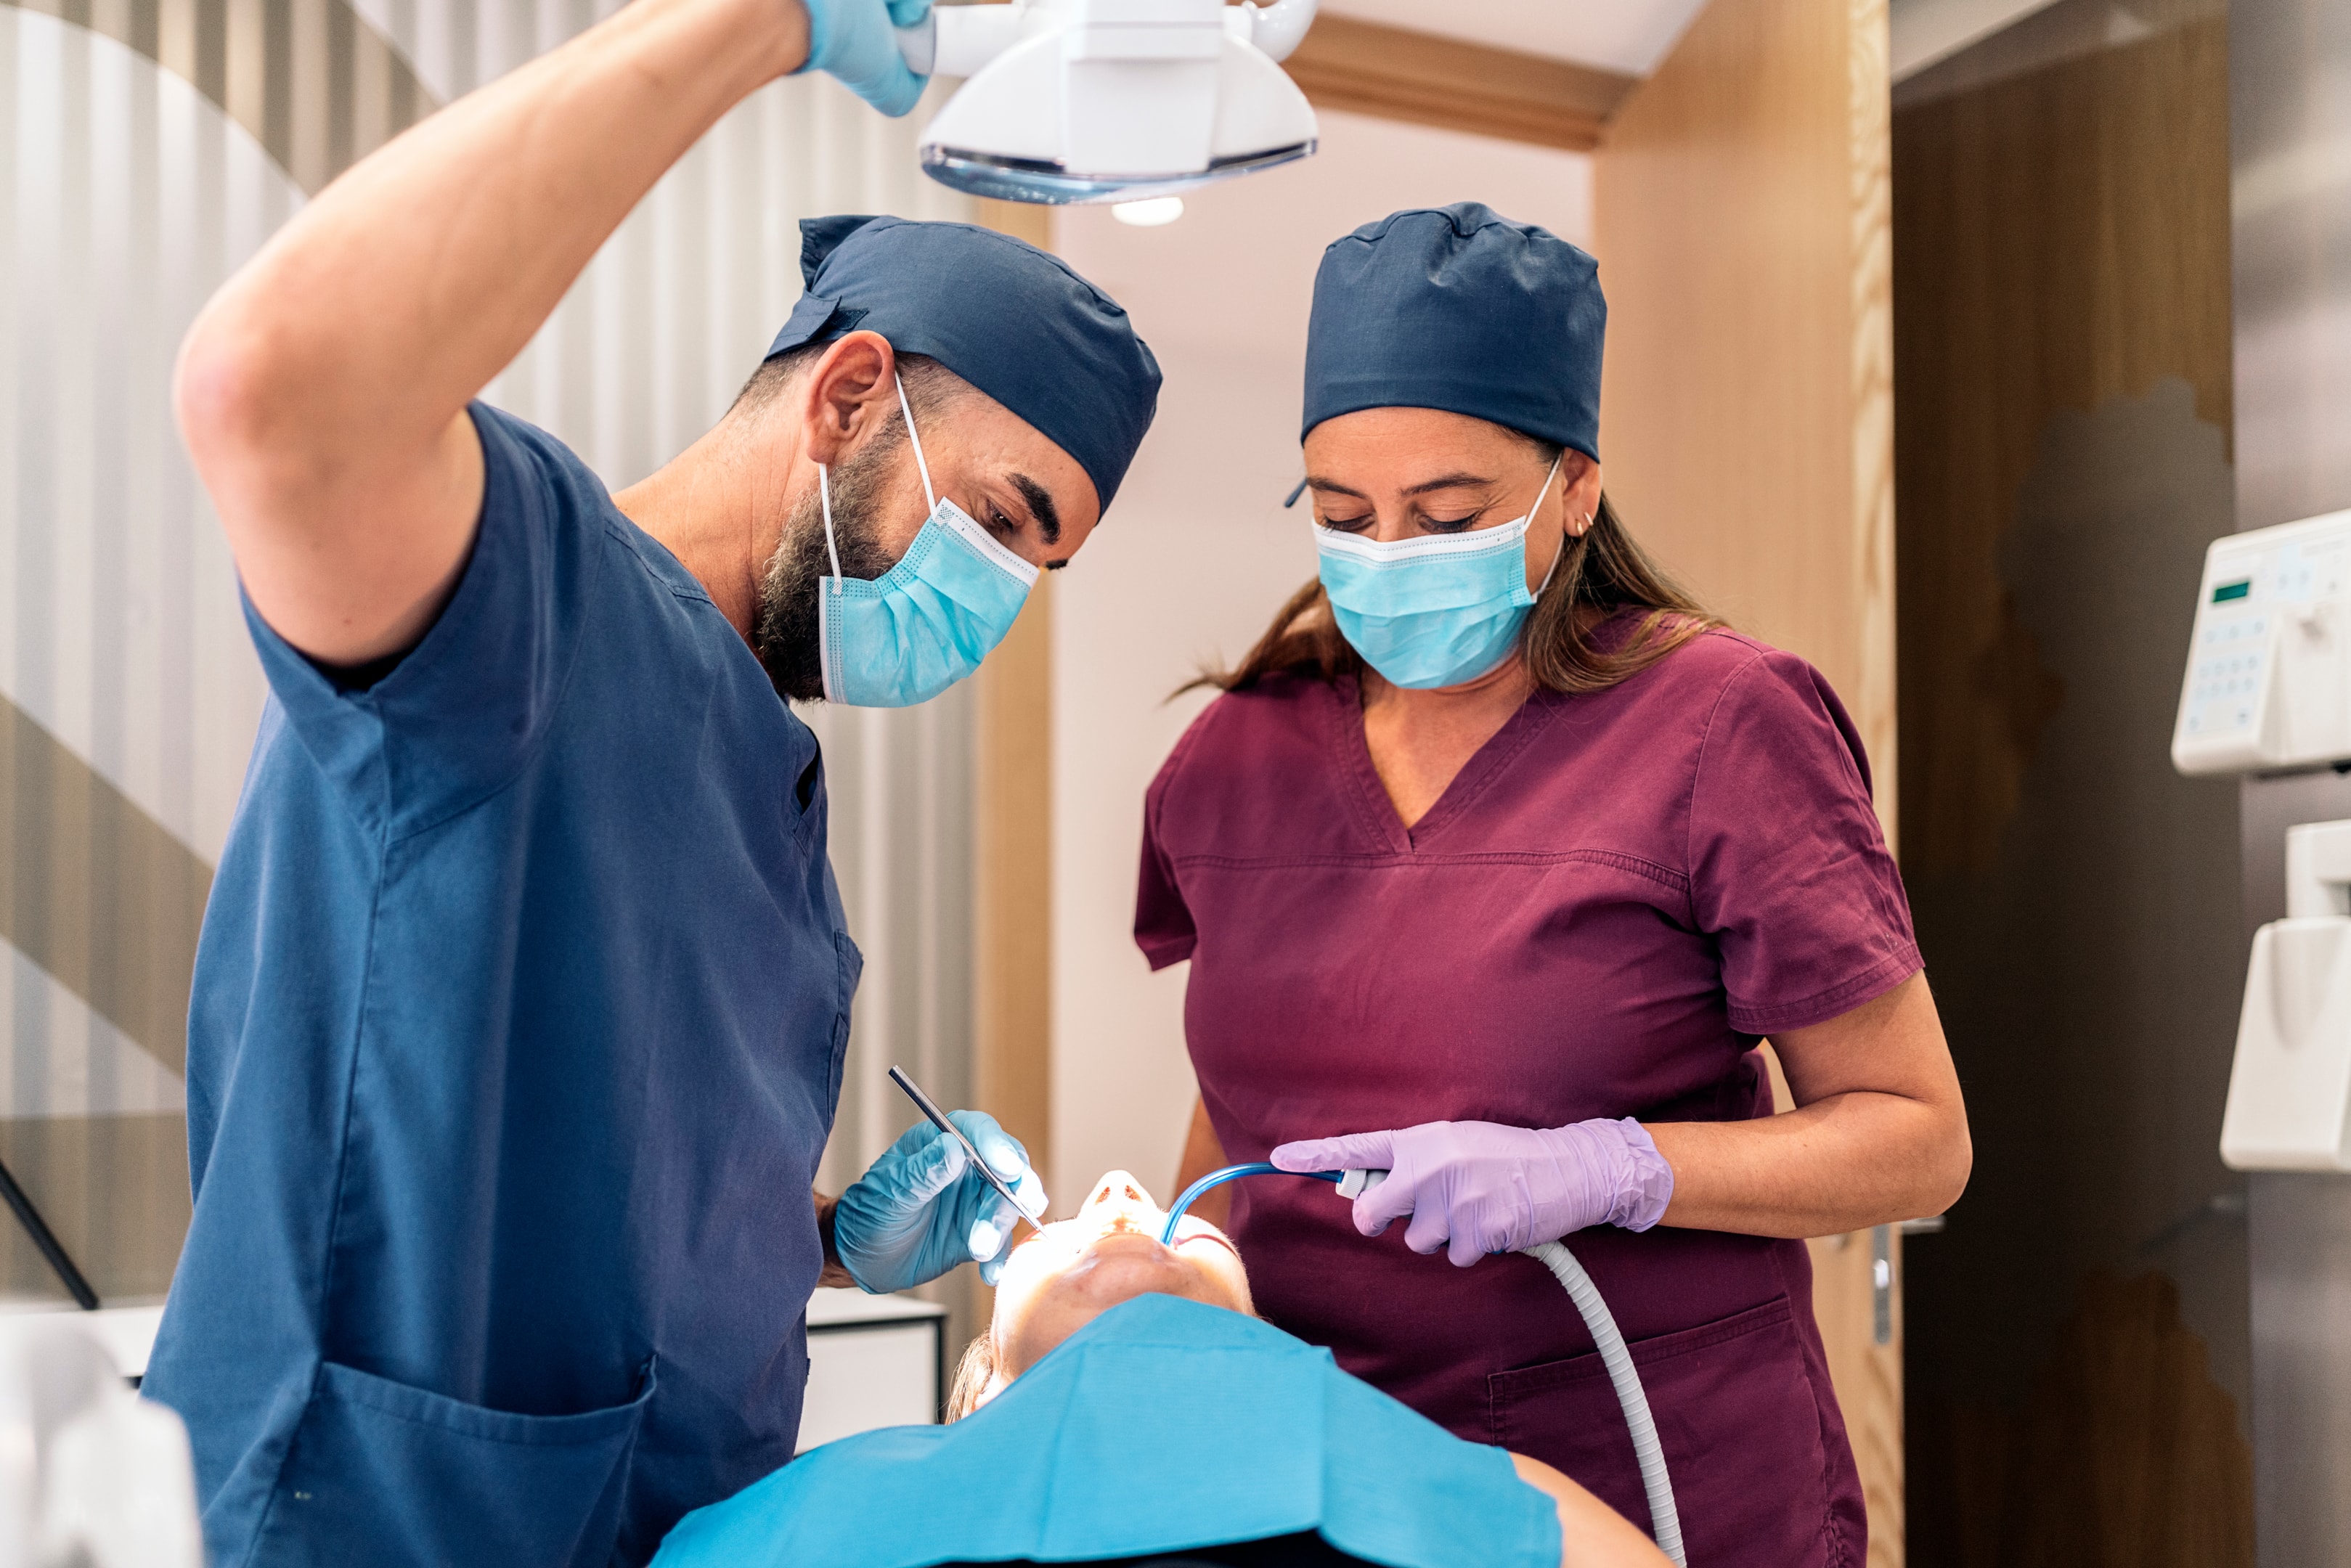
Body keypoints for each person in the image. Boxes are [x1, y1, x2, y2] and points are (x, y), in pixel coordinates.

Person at [139, 0, 1161, 1560]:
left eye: (1046, 563)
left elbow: (593, 1219)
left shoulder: (770, 791)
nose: (1007, 595)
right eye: (1005, 522)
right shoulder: (521, 608)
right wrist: (758, 23)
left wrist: (821, 1241)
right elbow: (269, 390)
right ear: (844, 396)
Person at [1139, 204, 1971, 1567]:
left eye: (1447, 512)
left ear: (1573, 487)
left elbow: (1917, 1137)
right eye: (1343, 515)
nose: (1390, 552)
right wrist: (1163, 1300)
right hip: (1322, 1472)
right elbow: (1242, 1104)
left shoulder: (1721, 723)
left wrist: (1610, 1168)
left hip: (1650, 1463)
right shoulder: (1237, 752)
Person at [651, 1172, 1674, 1568]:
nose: (1122, 1191)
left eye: (1182, 1223)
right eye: (1063, 1228)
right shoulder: (807, 1509)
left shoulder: (1499, 1490)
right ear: (980, 1393)